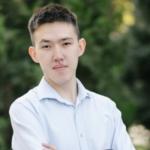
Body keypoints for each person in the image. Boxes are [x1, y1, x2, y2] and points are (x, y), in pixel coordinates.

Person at [9, 4, 136, 150]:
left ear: (80, 47)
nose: (58, 56)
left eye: (66, 43)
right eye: (46, 46)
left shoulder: (107, 109)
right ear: (34, 54)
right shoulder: (26, 109)